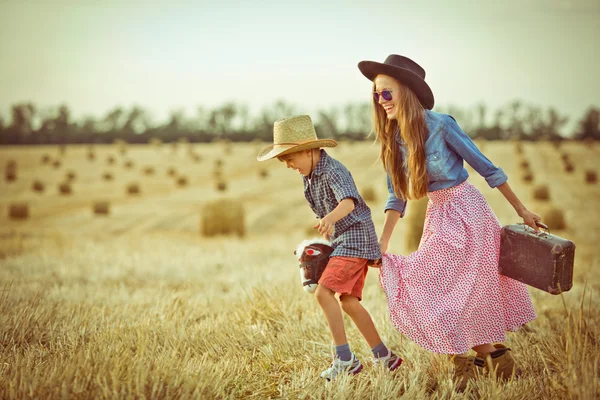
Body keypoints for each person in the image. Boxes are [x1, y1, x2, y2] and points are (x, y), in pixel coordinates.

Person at [357, 54, 539, 391]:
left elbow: (488, 169)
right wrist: (382, 243)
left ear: (407, 91)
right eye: (376, 95)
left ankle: (470, 362)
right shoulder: (393, 140)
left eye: (387, 93)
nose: (380, 101)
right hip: (438, 215)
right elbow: (396, 197)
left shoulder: (442, 125)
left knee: (457, 289)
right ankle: (492, 359)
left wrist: (523, 211)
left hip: (469, 212)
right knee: (440, 285)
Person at [256, 115, 402, 380]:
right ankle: (384, 356)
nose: (288, 165)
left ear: (309, 151)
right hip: (344, 241)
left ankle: (345, 359)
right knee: (348, 303)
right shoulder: (309, 177)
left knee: (323, 294)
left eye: (290, 158)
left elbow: (349, 202)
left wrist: (329, 219)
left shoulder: (333, 170)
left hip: (355, 239)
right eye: (284, 161)